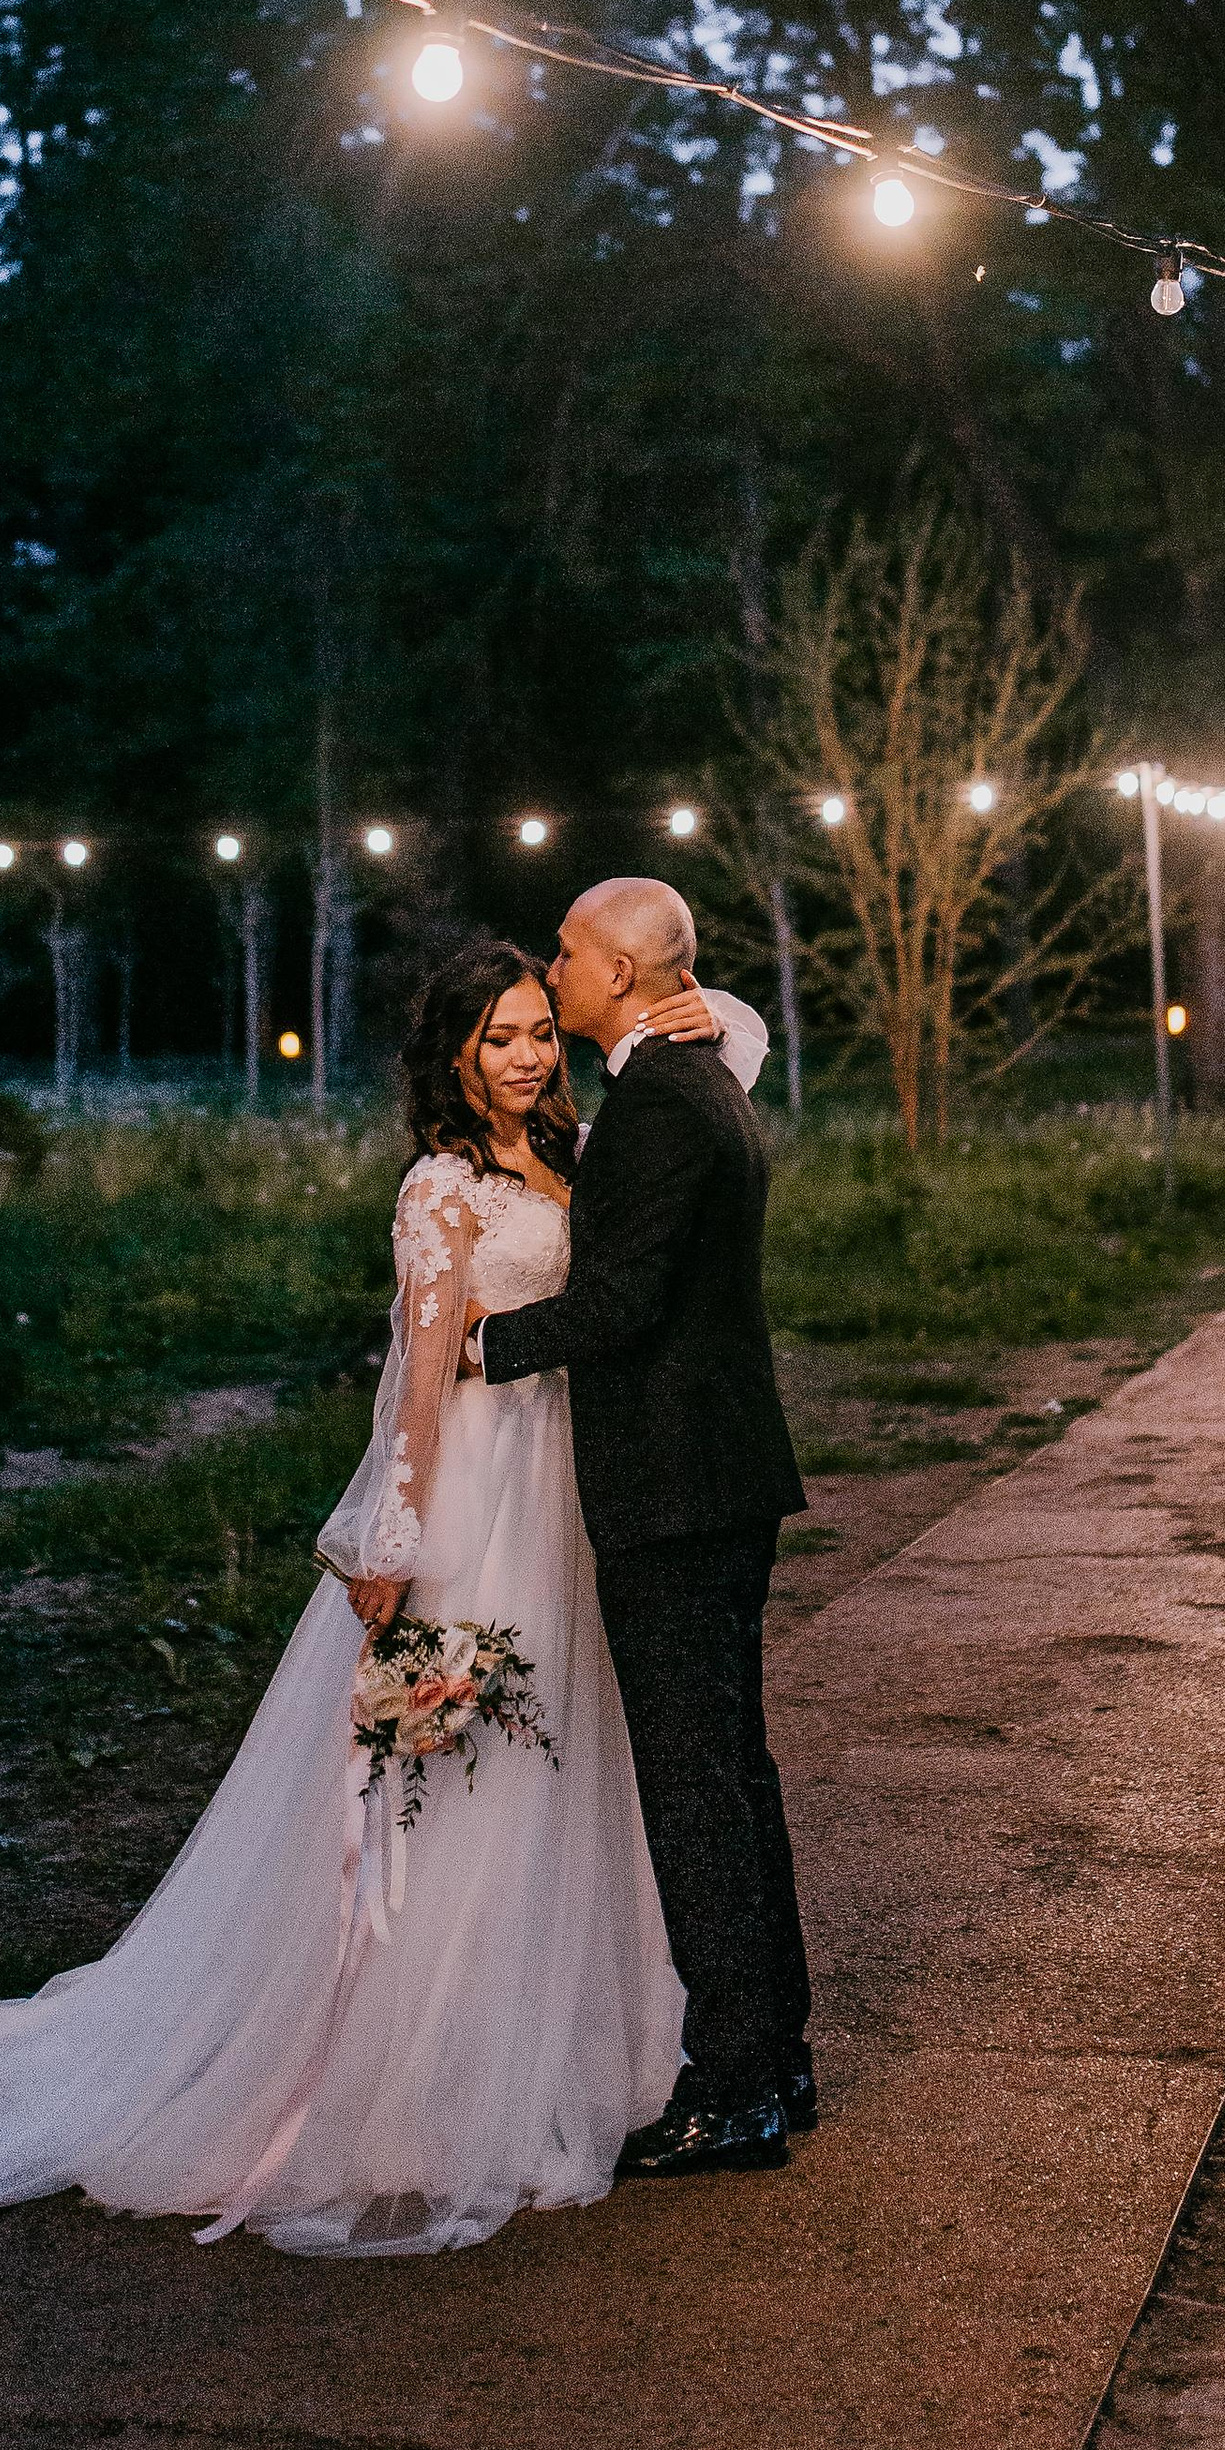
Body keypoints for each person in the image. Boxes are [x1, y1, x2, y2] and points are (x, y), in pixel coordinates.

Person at [0, 934, 761, 2259]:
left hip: (571, 1501)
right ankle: (413, 2070)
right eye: (495, 1039)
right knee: (443, 1774)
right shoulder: (439, 1189)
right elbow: (418, 1374)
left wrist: (681, 1011)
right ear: (452, 1056)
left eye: (536, 1034)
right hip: (472, 1509)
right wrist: (395, 1527)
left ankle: (555, 2042)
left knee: (565, 1766)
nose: (523, 1058)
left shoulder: (572, 1158)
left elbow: (725, 1064)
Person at [470, 876, 813, 2178]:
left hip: (676, 1489)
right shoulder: (695, 1072)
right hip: (719, 1478)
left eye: (564, 953)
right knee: (734, 1773)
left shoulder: (664, 1104)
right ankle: (774, 2062)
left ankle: (733, 2093)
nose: (550, 972)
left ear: (617, 971)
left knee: (695, 1792)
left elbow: (617, 1305)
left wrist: (480, 1346)